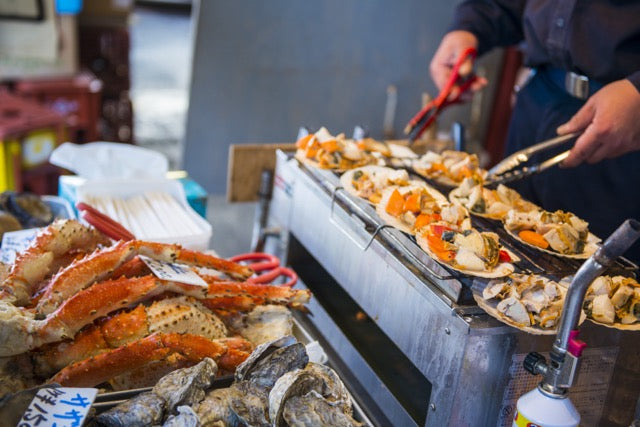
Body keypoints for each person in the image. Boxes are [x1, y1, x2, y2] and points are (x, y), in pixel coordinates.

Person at [430, 1, 640, 262]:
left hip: (623, 134)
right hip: (539, 101)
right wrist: (470, 26)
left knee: (608, 285)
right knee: (494, 260)